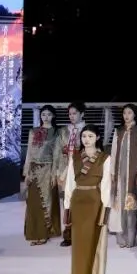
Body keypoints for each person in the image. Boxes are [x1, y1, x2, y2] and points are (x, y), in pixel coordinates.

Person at [63, 124, 111, 274]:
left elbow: (106, 185)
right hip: (78, 202)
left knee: (95, 248)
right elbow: (69, 185)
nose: (87, 139)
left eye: (90, 136)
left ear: (97, 137)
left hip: (95, 202)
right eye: (84, 136)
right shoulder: (75, 157)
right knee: (79, 249)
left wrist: (105, 210)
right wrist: (67, 208)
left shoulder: (105, 158)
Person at [108, 103, 137, 248]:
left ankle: (132, 238)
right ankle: (121, 236)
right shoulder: (118, 131)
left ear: (134, 114)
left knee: (131, 204)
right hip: (120, 173)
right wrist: (112, 172)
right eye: (125, 113)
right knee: (119, 204)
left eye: (129, 113)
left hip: (134, 173)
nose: (126, 116)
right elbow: (113, 153)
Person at [23, 104, 61, 245]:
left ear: (53, 116)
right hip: (33, 171)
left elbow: (57, 155)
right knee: (33, 203)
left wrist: (54, 174)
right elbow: (29, 153)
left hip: (47, 170)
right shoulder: (33, 131)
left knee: (46, 202)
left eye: (49, 114)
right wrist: (26, 173)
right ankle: (34, 233)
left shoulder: (56, 132)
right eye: (43, 114)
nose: (46, 117)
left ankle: (44, 234)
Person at [54, 102, 87, 247]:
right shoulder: (64, 131)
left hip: (82, 170)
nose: (72, 116)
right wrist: (58, 172)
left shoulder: (87, 129)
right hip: (66, 170)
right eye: (70, 114)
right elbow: (57, 152)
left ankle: (82, 233)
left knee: (81, 201)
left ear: (82, 114)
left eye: (75, 113)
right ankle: (68, 234)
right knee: (67, 201)